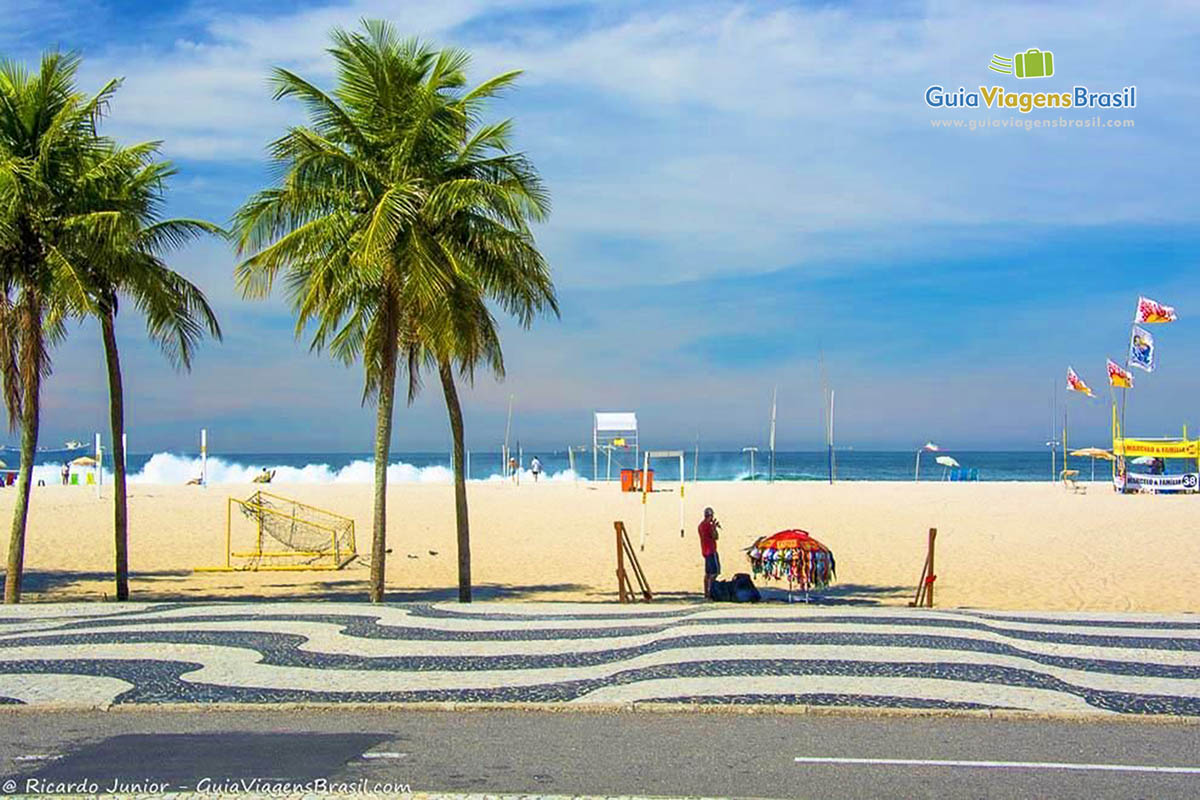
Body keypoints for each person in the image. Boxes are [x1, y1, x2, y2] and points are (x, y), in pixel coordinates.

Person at [698, 507, 720, 599]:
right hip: (711, 551)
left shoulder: (701, 525)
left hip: (705, 551)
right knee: (715, 572)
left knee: (707, 573)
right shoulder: (708, 526)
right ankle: (711, 591)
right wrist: (714, 527)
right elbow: (715, 536)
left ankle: (706, 593)